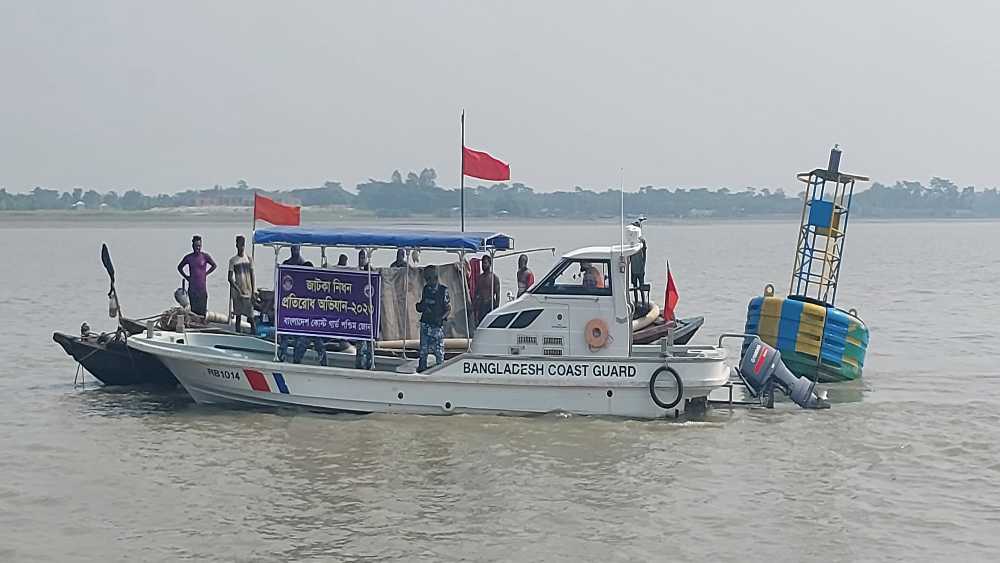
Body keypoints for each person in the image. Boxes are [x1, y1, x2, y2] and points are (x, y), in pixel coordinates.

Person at [277, 246, 327, 366]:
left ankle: (321, 363)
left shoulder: (314, 286)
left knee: (314, 340)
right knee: (287, 336)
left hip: (309, 320)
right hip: (293, 312)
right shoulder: (288, 265)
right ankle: (284, 358)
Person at [415, 265, 451, 372]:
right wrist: (420, 307)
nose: (427, 281)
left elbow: (448, 309)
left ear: (435, 278)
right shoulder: (426, 289)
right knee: (423, 351)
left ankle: (440, 372)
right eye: (426, 279)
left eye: (428, 279)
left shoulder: (443, 290)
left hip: (436, 326)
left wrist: (441, 318)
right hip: (425, 323)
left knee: (439, 352)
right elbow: (422, 304)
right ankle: (422, 369)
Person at [177, 235, 217, 316]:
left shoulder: (205, 256)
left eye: (199, 246)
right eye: (196, 246)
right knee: (193, 313)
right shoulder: (189, 257)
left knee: (202, 313)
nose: (197, 248)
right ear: (192, 246)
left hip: (202, 289)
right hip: (192, 290)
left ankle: (202, 325)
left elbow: (214, 265)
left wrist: (206, 273)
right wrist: (187, 277)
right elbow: (179, 267)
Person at [228, 235, 256, 335]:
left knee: (251, 317)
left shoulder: (249, 259)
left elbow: (252, 276)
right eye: (240, 245)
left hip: (248, 291)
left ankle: (254, 335)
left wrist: (253, 291)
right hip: (238, 292)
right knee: (238, 316)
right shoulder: (233, 261)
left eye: (243, 245)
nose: (241, 247)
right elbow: (230, 278)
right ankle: (238, 335)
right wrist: (237, 290)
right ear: (236, 245)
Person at [355, 249, 374, 369]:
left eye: (362, 257)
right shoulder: (357, 271)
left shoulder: (369, 271)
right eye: (359, 257)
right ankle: (361, 365)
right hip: (360, 314)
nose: (361, 260)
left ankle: (368, 365)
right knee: (361, 345)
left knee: (368, 344)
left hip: (369, 314)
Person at [474, 255, 500, 325]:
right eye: (482, 263)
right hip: (481, 306)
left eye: (485, 263)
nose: (483, 265)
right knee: (481, 324)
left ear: (490, 264)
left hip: (490, 304)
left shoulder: (494, 278)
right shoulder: (480, 278)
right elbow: (476, 293)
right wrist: (475, 307)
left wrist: (496, 310)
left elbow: (498, 296)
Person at [630, 237, 647, 304]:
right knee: (635, 288)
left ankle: (643, 302)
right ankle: (636, 302)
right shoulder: (632, 247)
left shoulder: (641, 246)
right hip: (634, 271)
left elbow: (645, 251)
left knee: (641, 288)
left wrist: (643, 243)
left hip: (641, 271)